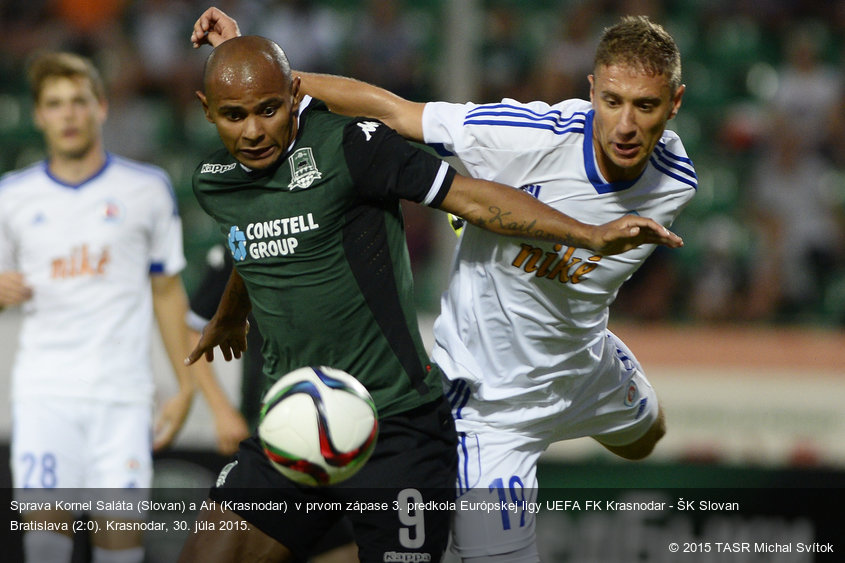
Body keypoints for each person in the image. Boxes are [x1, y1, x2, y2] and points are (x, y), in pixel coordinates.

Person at [190, 9, 696, 562]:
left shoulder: (677, 178)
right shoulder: (518, 135)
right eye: (613, 101)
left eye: (645, 106)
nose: (625, 125)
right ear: (592, 90)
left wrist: (253, 66)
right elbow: (395, 114)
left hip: (585, 363)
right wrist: (249, 61)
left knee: (649, 436)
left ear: (673, 105)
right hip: (487, 404)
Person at [0, 51, 236, 563]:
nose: (68, 114)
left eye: (78, 102)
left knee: (121, 550)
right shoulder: (11, 197)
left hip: (123, 399)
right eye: (54, 104)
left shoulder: (146, 190)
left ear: (101, 107)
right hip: (45, 397)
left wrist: (186, 389)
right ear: (38, 115)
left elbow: (168, 295)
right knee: (43, 548)